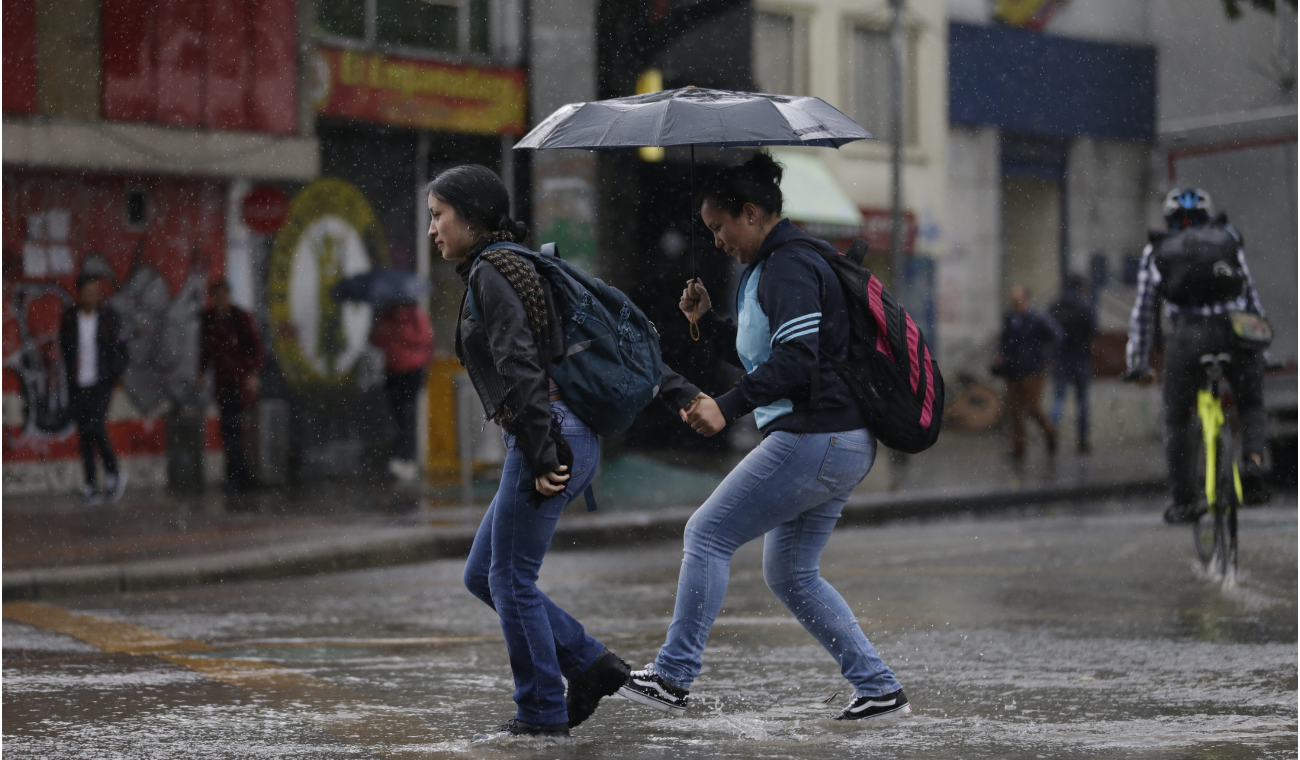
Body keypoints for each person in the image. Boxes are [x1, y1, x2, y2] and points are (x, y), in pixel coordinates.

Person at [618, 153, 911, 723]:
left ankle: (673, 676)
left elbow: (798, 360)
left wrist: (725, 408)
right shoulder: (769, 269)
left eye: (719, 226)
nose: (717, 239)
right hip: (836, 439)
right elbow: (770, 352)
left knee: (706, 534)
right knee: (790, 573)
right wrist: (706, 322)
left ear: (750, 214)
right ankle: (878, 688)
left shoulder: (789, 267)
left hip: (817, 436)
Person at [432, 165, 704, 740]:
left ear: (472, 217)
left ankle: (540, 713)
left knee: (510, 579)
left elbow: (519, 362)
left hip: (550, 433)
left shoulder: (492, 271)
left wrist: (540, 449)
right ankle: (589, 663)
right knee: (484, 574)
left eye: (439, 215)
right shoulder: (515, 263)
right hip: (561, 432)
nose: (433, 228)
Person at [1125, 188, 1269, 523]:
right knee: (1251, 404)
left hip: (1188, 338)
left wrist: (1137, 364)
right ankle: (1253, 466)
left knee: (1176, 416)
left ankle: (1184, 501)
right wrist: (1262, 344)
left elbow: (1144, 313)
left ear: (1169, 220)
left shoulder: (1156, 249)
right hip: (1235, 332)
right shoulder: (1228, 238)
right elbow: (1249, 294)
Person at [59, 274, 129, 506]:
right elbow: (65, 349)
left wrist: (113, 372)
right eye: (88, 292)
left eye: (96, 292)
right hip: (78, 383)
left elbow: (122, 348)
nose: (93, 297)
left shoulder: (109, 317)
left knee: (95, 425)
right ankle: (90, 484)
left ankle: (114, 472)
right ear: (79, 293)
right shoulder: (70, 317)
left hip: (101, 382)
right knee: (84, 434)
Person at [199, 280, 264, 494]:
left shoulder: (240, 318)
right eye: (217, 297)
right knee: (228, 430)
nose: (220, 301)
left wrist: (252, 372)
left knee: (234, 429)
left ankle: (239, 476)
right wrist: (202, 370)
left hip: (239, 382)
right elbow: (206, 349)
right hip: (222, 382)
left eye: (223, 296)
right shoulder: (209, 320)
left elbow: (256, 348)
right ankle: (236, 476)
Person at [994, 285, 1063, 461]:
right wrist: (1001, 356)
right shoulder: (1011, 318)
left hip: (1032, 370)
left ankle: (1050, 431)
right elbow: (1004, 340)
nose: (1015, 301)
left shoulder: (1037, 317)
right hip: (1013, 370)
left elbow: (1056, 335)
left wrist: (1047, 359)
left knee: (1033, 407)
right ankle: (1019, 449)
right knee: (1015, 410)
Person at [369, 300, 433, 482]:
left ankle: (406, 458)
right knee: (396, 415)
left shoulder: (414, 316)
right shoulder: (385, 318)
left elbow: (424, 338)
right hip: (392, 371)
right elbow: (375, 340)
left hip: (412, 371)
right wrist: (381, 331)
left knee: (407, 414)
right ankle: (400, 456)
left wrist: (398, 332)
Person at [1048, 274, 1098, 454]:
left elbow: (1049, 331)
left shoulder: (1056, 305)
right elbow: (1094, 330)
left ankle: (1052, 432)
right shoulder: (1085, 306)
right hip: (1080, 357)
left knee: (1058, 399)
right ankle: (1083, 441)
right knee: (1083, 401)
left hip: (1061, 358)